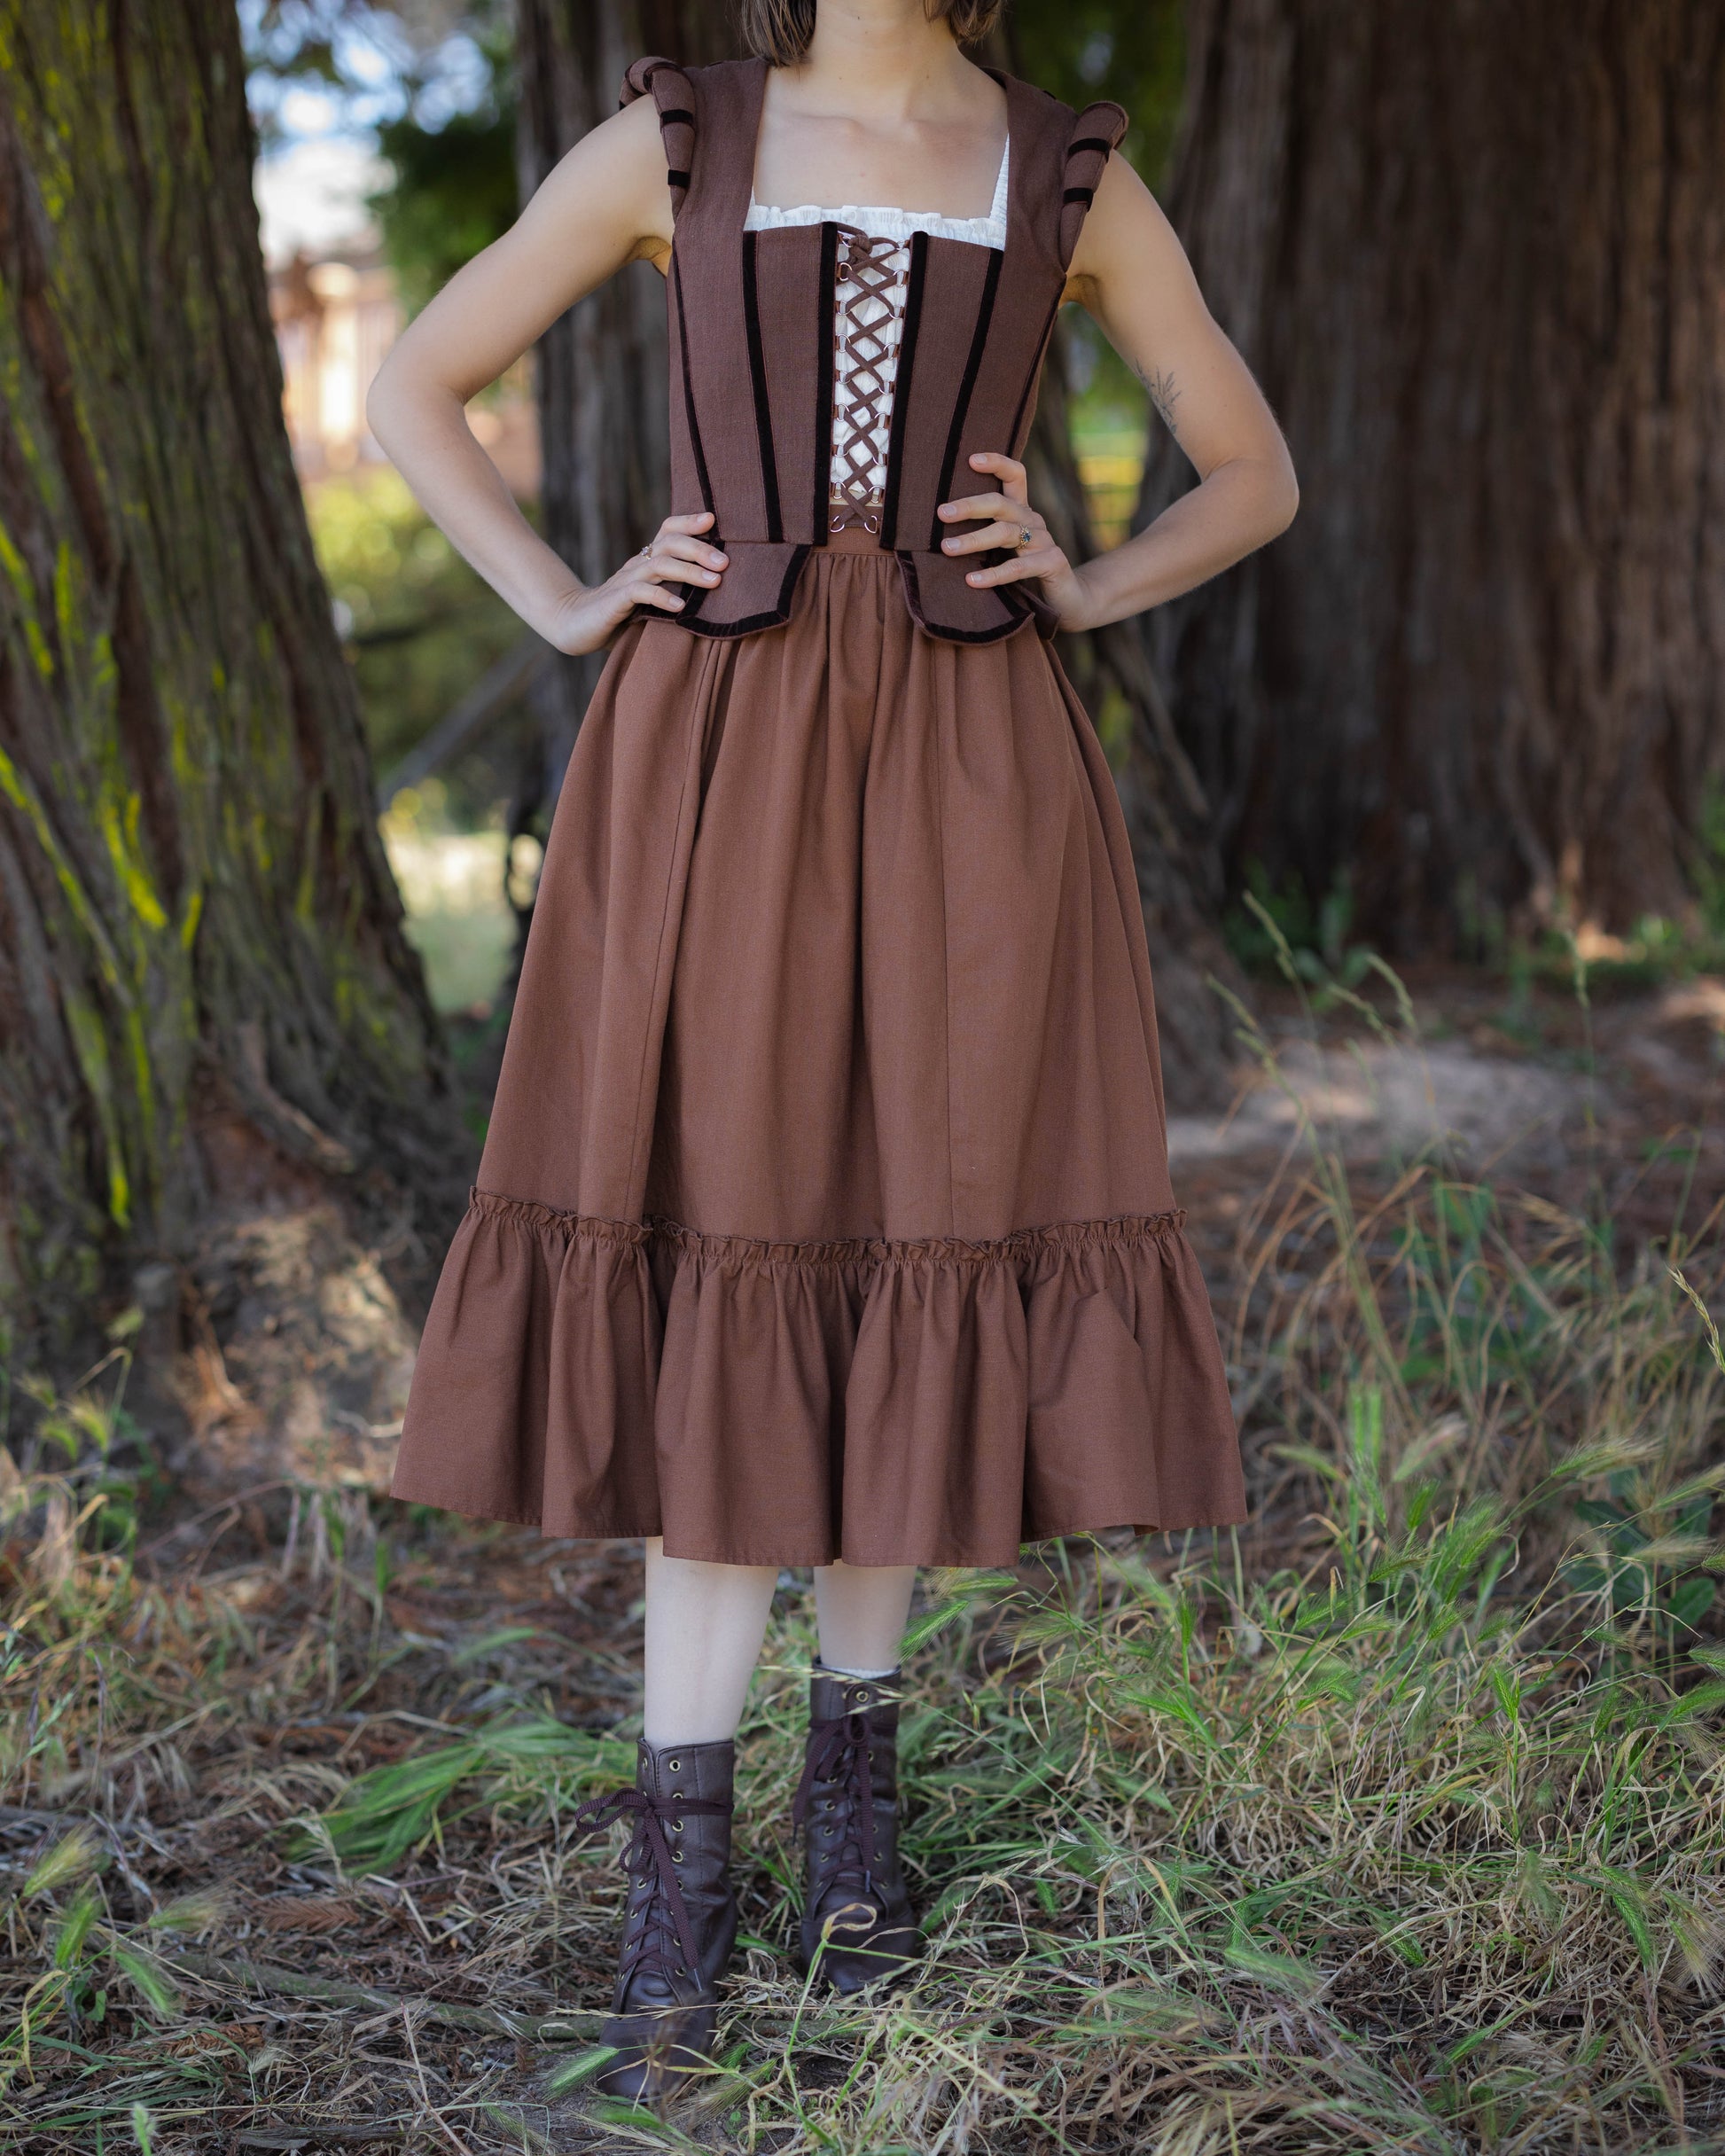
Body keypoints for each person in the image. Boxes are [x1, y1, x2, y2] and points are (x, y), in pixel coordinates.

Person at [370, 0, 1294, 2105]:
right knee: (732, 1227)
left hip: (976, 770)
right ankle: (674, 1900)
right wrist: (559, 597)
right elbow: (413, 383)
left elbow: (1254, 468)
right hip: (711, 758)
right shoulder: (680, 137)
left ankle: (851, 1845)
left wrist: (1087, 577)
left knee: (918, 1224)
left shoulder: (1064, 165)